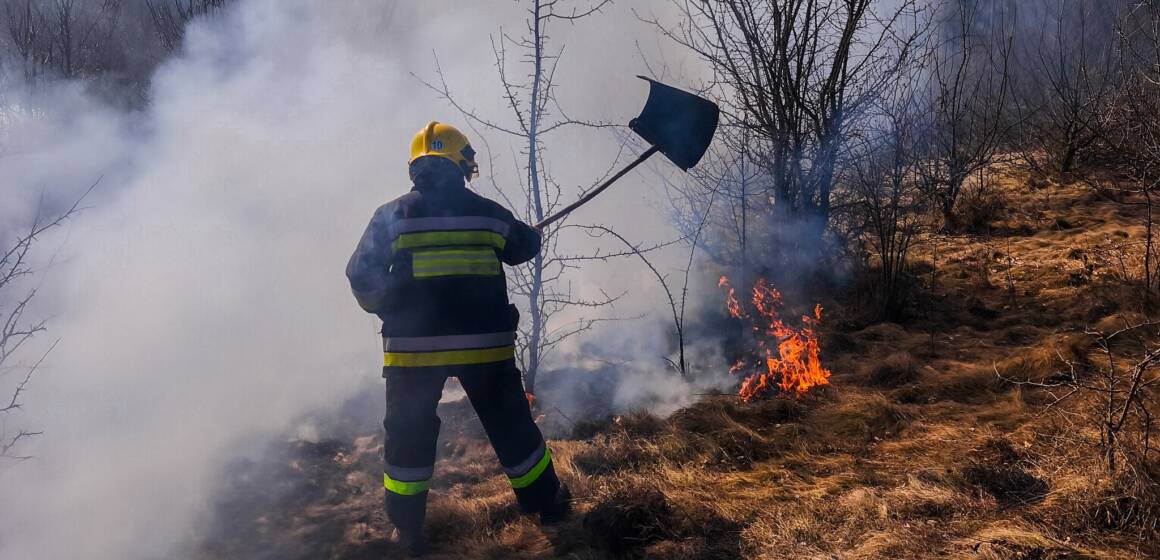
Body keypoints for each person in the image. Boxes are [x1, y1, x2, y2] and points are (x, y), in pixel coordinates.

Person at [346, 122, 569, 556]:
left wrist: (390, 304)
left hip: (414, 353)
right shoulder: (488, 213)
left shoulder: (391, 215)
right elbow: (522, 247)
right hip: (484, 349)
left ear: (416, 166)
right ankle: (549, 506)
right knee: (511, 427)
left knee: (408, 435)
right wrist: (532, 234)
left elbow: (360, 274)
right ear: (463, 165)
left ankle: (407, 530)